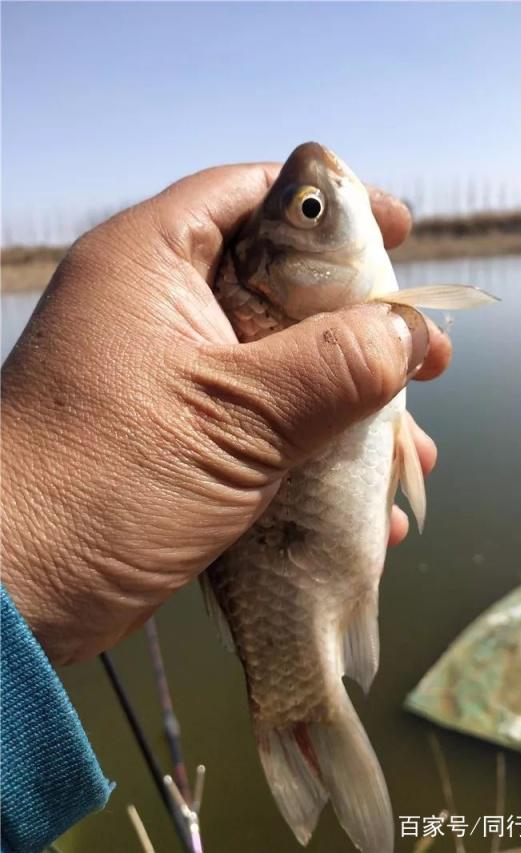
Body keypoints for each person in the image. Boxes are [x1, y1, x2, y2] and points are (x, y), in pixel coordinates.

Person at [0, 161, 452, 852]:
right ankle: (302, 709)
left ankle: (300, 717)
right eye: (311, 209)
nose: (327, 196)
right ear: (270, 282)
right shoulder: (338, 326)